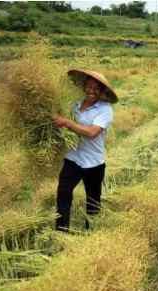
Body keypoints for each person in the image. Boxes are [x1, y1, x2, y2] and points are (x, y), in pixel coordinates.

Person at [53, 69, 118, 231]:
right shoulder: (75, 106)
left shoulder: (105, 110)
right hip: (73, 158)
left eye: (96, 89)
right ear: (84, 86)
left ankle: (91, 232)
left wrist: (68, 123)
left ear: (102, 92)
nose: (92, 91)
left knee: (93, 201)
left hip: (94, 162)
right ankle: (61, 231)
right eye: (89, 87)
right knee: (63, 193)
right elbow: (63, 125)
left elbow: (92, 132)